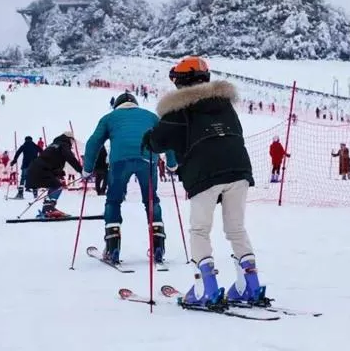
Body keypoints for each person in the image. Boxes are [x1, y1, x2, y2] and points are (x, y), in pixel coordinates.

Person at [143, 56, 264, 307]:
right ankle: (249, 285)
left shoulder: (178, 108)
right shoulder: (224, 104)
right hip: (239, 168)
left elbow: (157, 142)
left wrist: (148, 138)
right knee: (236, 228)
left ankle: (205, 287)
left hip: (204, 172)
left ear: (180, 82)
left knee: (200, 230)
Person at [83, 92, 176, 265]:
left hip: (120, 160)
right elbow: (167, 139)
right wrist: (172, 164)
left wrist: (87, 170)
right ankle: (158, 245)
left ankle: (112, 246)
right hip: (148, 159)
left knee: (113, 201)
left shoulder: (109, 118)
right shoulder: (151, 116)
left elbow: (93, 142)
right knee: (151, 200)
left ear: (116, 105)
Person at [26, 132, 82, 218]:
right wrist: (81, 170)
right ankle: (48, 208)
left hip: (34, 169)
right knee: (57, 186)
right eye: (73, 141)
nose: (72, 143)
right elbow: (70, 158)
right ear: (69, 139)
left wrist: (59, 172)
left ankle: (48, 207)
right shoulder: (64, 144)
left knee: (55, 184)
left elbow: (50, 160)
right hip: (41, 170)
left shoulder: (53, 145)